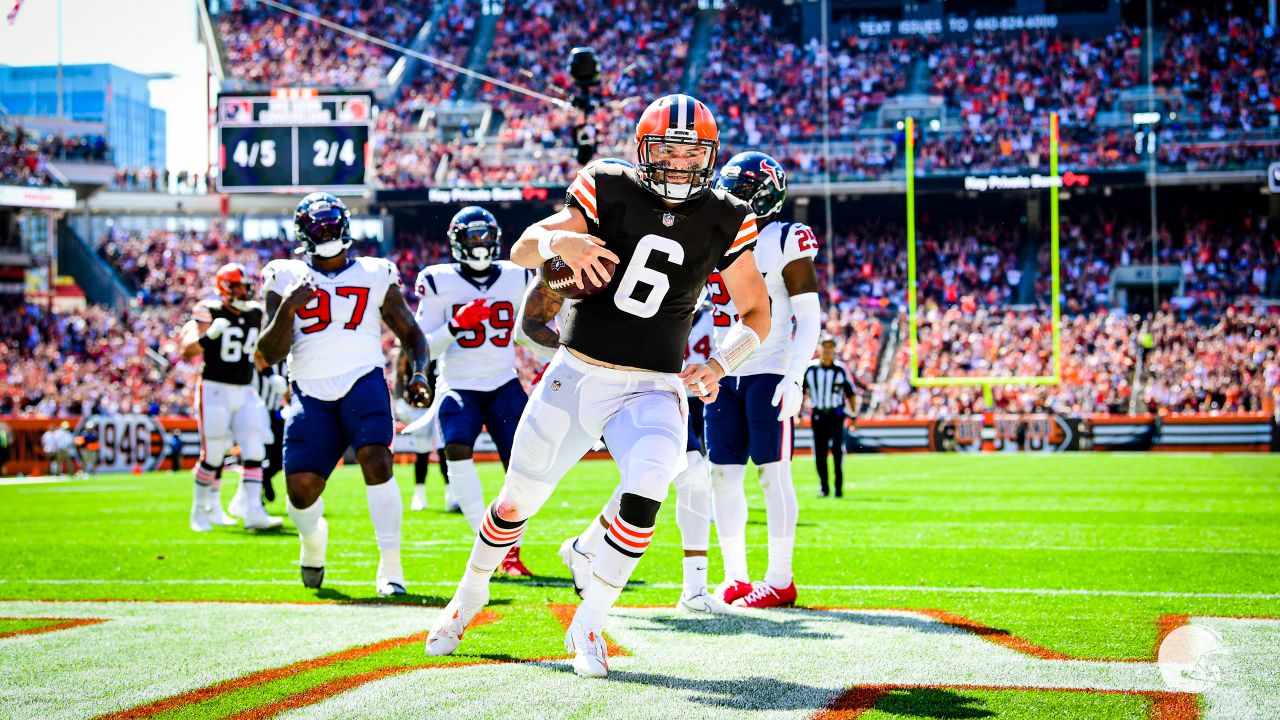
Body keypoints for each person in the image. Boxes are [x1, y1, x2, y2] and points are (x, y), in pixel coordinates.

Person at [424, 94, 771, 678]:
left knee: (651, 482)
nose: (679, 165)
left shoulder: (728, 213)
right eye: (666, 150)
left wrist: (720, 363)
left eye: (692, 154)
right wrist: (563, 243)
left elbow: (757, 311)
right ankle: (471, 591)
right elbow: (522, 246)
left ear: (710, 157)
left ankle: (590, 622)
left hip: (654, 384)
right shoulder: (608, 184)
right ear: (643, 150)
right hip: (577, 374)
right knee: (516, 503)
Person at [258, 192, 433, 596]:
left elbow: (411, 333)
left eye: (331, 225)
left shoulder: (374, 272)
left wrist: (419, 374)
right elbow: (267, 354)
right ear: (303, 235)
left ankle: (391, 569)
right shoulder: (284, 275)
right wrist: (288, 308)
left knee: (377, 459)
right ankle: (313, 540)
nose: (326, 233)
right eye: (318, 228)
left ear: (346, 227)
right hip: (308, 390)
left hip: (362, 379)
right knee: (300, 490)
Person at [704, 151, 822, 609]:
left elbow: (808, 317)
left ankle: (779, 578)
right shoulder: (714, 240)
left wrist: (795, 376)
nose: (729, 199)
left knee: (773, 475)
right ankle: (736, 577)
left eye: (738, 192)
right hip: (725, 370)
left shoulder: (785, 239)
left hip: (769, 370)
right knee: (722, 475)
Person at [558, 297, 729, 613]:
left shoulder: (697, 297)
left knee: (652, 477)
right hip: (622, 390)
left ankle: (586, 547)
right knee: (685, 471)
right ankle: (693, 589)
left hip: (666, 390)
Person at [411, 206, 537, 576]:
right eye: (472, 237)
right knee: (456, 450)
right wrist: (455, 324)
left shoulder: (518, 276)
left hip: (502, 381)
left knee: (523, 464)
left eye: (485, 236)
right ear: (456, 242)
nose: (480, 244)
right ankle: (486, 544)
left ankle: (512, 551)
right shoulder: (437, 280)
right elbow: (423, 347)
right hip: (458, 384)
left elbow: (536, 327)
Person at [178, 262, 282, 532]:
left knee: (255, 448)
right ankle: (200, 511)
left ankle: (253, 511)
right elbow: (187, 350)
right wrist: (209, 335)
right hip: (214, 389)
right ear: (224, 288)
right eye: (236, 286)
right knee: (213, 453)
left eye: (244, 286)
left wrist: (270, 377)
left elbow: (256, 352)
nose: (243, 291)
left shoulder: (254, 313)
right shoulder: (208, 311)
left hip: (245, 389)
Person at [803, 337, 858, 498]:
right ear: (819, 348)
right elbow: (801, 391)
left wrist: (854, 415)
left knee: (837, 450)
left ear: (835, 349)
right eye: (825, 347)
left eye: (830, 347)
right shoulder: (810, 369)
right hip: (818, 415)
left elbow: (851, 394)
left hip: (836, 414)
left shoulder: (841, 369)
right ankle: (824, 487)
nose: (827, 350)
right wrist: (798, 414)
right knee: (819, 452)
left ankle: (838, 487)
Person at [247, 358, 289, 503]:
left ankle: (265, 479)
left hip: (275, 413)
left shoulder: (284, 362)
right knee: (255, 456)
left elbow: (286, 389)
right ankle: (255, 499)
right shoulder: (254, 358)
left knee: (278, 460)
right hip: (255, 412)